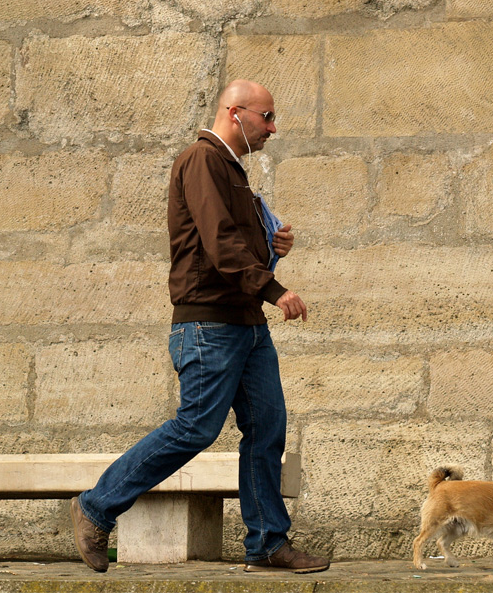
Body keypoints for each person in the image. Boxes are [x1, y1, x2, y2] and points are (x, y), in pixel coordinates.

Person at [70, 79, 330, 574]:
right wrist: (276, 290)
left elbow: (233, 245)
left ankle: (268, 544)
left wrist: (272, 246)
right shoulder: (202, 160)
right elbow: (218, 244)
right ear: (236, 114)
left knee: (267, 428)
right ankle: (96, 506)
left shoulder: (231, 170)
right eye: (266, 117)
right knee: (196, 427)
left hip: (245, 324)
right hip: (209, 324)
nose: (273, 128)